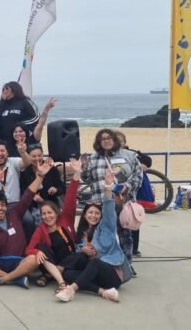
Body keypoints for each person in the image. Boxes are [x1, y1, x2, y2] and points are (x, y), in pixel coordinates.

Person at [56, 169, 133, 302]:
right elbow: (79, 257)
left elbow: (108, 207)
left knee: (96, 262)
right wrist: (83, 249)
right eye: (90, 213)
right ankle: (103, 292)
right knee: (68, 273)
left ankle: (71, 290)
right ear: (84, 215)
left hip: (112, 274)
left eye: (97, 213)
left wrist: (108, 187)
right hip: (95, 274)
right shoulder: (81, 234)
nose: (93, 216)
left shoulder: (106, 227)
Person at [0, 162, 49, 289]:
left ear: (6, 206)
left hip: (19, 261)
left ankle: (2, 279)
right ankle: (16, 279)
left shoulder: (15, 214)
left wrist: (40, 176)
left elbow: (28, 195)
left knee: (34, 259)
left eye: (2, 205)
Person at [25, 158, 81, 291]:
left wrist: (76, 174)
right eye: (44, 214)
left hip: (70, 259)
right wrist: (37, 252)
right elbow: (28, 249)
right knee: (40, 246)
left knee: (80, 256)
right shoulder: (41, 229)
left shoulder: (66, 218)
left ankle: (50, 275)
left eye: (50, 213)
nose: (47, 216)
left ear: (56, 213)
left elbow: (71, 197)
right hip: (52, 261)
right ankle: (61, 282)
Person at [82, 129, 142, 203]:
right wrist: (84, 168)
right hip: (99, 202)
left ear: (115, 140)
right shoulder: (93, 158)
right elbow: (88, 180)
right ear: (98, 142)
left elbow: (138, 176)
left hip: (123, 202)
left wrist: (127, 186)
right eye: (103, 139)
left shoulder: (129, 155)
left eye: (109, 138)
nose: (106, 141)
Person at [0, 81, 39, 149]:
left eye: (7, 89)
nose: (5, 92)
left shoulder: (25, 101)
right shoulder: (2, 104)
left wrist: (20, 125)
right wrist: (2, 101)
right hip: (5, 140)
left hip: (22, 138)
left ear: (14, 90)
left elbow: (36, 117)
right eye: (3, 90)